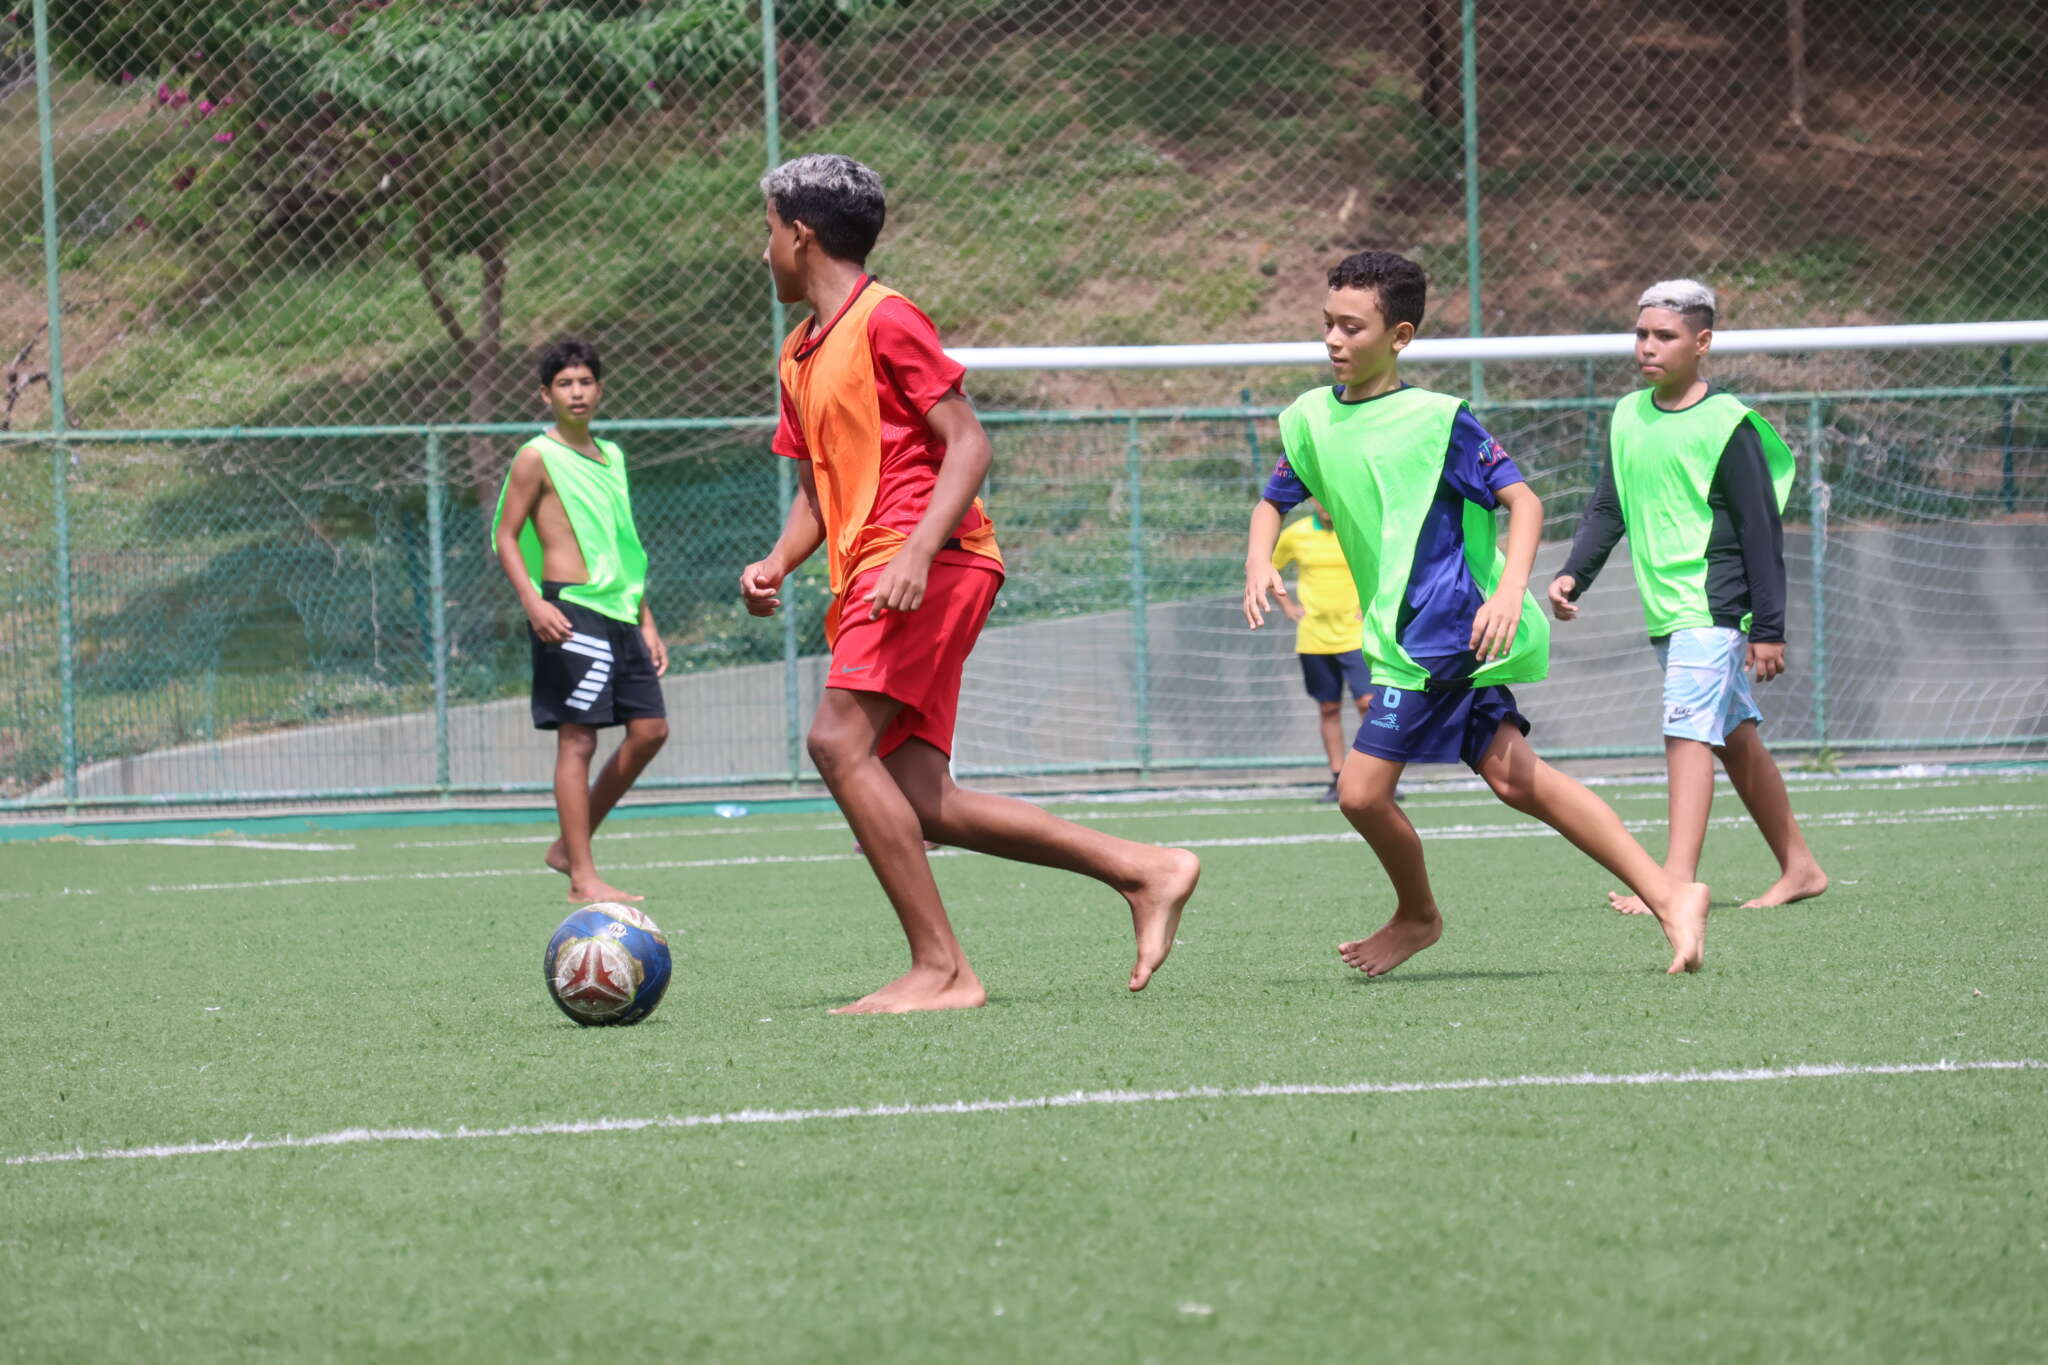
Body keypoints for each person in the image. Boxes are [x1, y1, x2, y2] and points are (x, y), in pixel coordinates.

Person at [739, 153, 1200, 1014]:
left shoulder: (887, 319)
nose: (760, 252)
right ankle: (1145, 869)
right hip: (882, 568)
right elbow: (816, 491)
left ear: (799, 236)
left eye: (765, 232)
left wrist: (915, 550)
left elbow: (969, 441)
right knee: (925, 799)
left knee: (837, 742)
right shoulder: (798, 354)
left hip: (929, 563)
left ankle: (943, 968)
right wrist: (776, 560)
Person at [1243, 250, 1711, 977]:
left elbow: (1523, 501)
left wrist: (1507, 589)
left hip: (1445, 629)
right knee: (1518, 778)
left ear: (1399, 336)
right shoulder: (1310, 418)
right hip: (1404, 634)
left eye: (1352, 327)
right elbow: (1275, 497)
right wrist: (1257, 558)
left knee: (1362, 792)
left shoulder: (1439, 422)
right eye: (1327, 324)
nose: (1334, 340)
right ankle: (1669, 894)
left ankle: (1419, 914)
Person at [1549, 279, 1827, 913]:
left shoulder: (1730, 425)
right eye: (1642, 334)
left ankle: (1672, 884)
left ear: (1702, 343)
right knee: (1734, 740)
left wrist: (1769, 627)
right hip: (1666, 611)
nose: (1648, 346)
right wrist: (1574, 574)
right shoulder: (1626, 413)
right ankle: (1801, 866)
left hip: (1712, 609)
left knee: (1685, 735)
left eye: (1665, 336)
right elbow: (1607, 506)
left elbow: (1761, 528)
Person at [491, 338, 670, 904]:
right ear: (546, 395)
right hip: (569, 610)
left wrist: (646, 618)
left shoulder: (613, 456)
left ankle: (570, 843)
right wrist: (533, 602)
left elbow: (624, 545)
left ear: (599, 388)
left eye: (585, 381)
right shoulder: (535, 456)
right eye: (564, 384)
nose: (576, 392)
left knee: (650, 731)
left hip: (621, 611)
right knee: (578, 741)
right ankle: (581, 877)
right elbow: (504, 534)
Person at [1270, 500, 1371, 800]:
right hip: (1314, 638)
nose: (1327, 505)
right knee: (1328, 707)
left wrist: (1371, 607)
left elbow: (1381, 567)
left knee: (1369, 703)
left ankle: (1374, 777)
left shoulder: (1357, 531)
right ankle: (1338, 778)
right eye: (1320, 498)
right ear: (1313, 501)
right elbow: (1269, 569)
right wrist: (1287, 606)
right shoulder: (1296, 533)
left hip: (1355, 636)